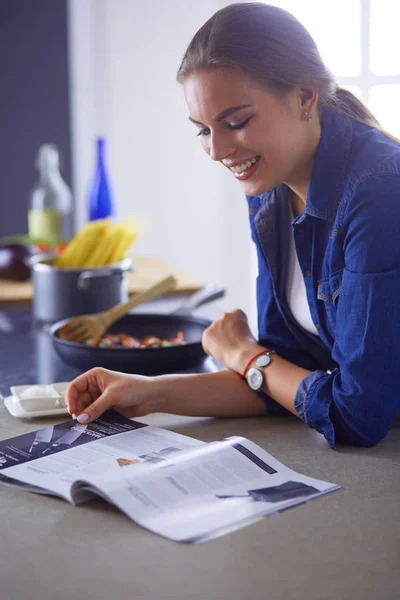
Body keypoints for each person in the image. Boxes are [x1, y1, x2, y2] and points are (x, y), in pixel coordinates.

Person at [66, 2, 400, 449]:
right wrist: (146, 392)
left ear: (304, 97)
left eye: (236, 122)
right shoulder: (268, 187)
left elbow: (357, 415)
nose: (218, 150)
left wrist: (242, 352)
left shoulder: (377, 194)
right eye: (203, 130)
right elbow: (283, 370)